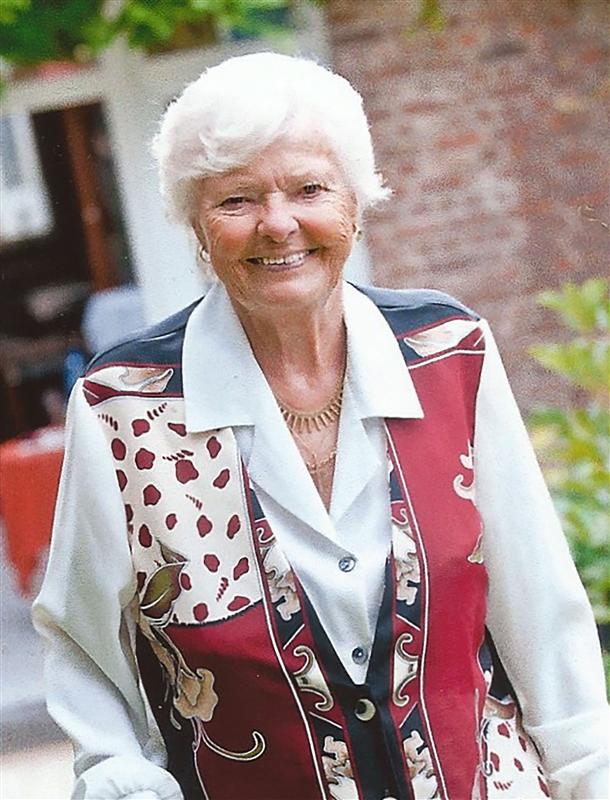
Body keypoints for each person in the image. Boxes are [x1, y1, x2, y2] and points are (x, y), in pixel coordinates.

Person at [33, 52, 608, 800]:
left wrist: (588, 776)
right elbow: (84, 643)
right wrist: (119, 772)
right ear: (195, 224)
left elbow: (540, 606)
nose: (279, 224)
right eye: (237, 199)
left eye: (309, 189)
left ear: (355, 202)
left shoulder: (448, 353)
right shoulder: (125, 405)